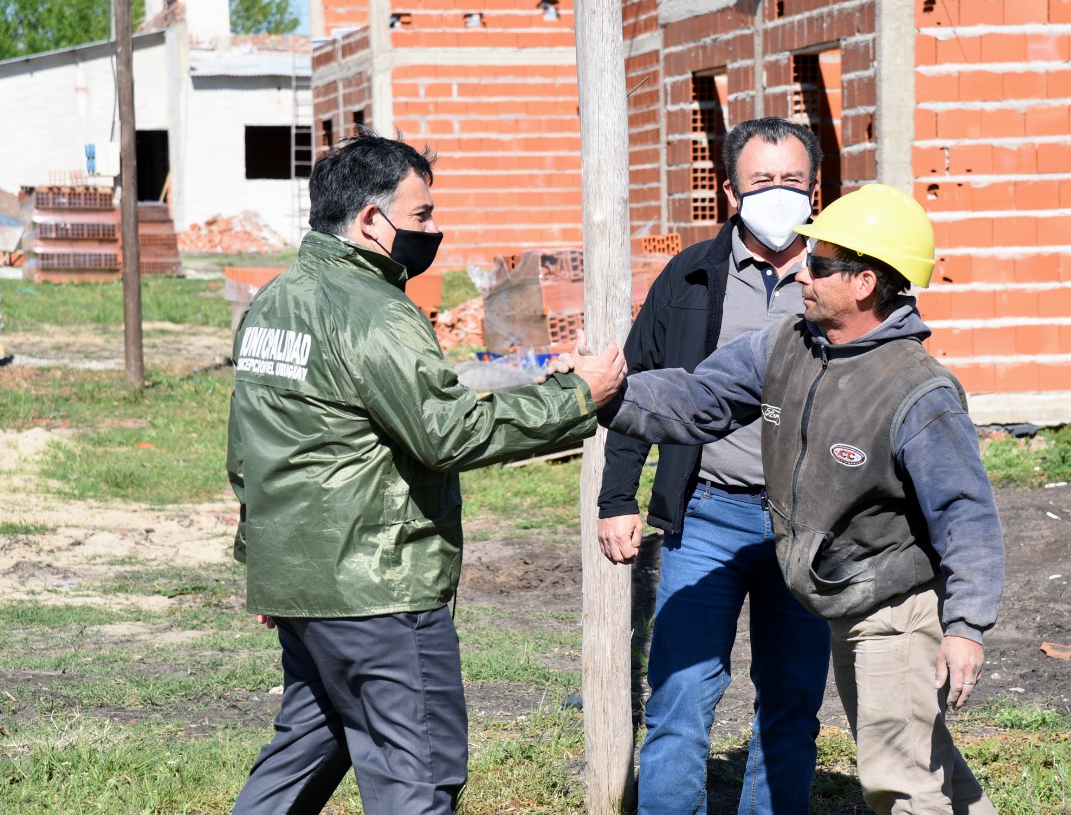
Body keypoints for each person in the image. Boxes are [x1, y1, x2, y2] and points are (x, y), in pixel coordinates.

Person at [226, 132, 626, 815]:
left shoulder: (276, 299)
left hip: (305, 586)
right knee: (420, 777)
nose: (434, 230)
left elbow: (255, 447)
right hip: (377, 587)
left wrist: (268, 564)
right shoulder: (376, 312)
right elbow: (450, 431)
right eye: (422, 216)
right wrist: (575, 398)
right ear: (371, 220)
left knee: (307, 748)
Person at [596, 184, 1005, 815]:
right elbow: (699, 399)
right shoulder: (787, 345)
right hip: (839, 593)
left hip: (894, 606)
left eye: (817, 264)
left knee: (901, 779)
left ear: (864, 283)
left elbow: (966, 515)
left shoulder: (917, 391)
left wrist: (967, 628)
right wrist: (608, 397)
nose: (801, 274)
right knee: (924, 763)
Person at [597, 117, 831, 814]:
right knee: (679, 694)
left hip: (808, 525)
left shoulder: (842, 279)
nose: (779, 193)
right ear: (731, 190)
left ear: (816, 187)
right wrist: (617, 495)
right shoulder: (693, 274)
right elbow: (639, 385)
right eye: (763, 180)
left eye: (793, 179)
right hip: (708, 514)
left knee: (791, 701)